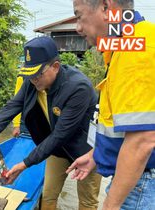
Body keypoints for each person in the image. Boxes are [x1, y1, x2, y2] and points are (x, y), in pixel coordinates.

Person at [0, 36, 102, 210]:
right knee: (48, 196)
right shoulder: (33, 82)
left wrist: (24, 163)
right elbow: (14, 104)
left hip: (86, 152)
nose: (33, 79)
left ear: (55, 67)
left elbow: (60, 134)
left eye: (37, 74)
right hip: (56, 150)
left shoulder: (78, 88)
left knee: (87, 201)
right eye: (29, 74)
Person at [67, 1, 155, 209]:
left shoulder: (137, 48)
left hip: (142, 184)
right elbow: (127, 127)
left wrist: (110, 205)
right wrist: (96, 156)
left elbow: (142, 141)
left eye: (79, 16)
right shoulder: (127, 45)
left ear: (106, 8)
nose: (77, 28)